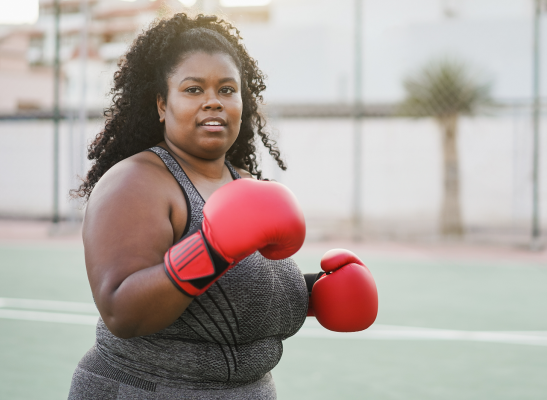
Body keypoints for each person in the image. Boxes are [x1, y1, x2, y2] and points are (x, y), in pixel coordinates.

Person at [67, 13, 377, 399]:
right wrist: (213, 249)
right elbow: (122, 311)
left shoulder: (244, 181)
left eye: (227, 90)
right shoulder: (136, 182)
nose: (213, 101)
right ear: (162, 104)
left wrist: (314, 295)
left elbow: (231, 295)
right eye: (194, 89)